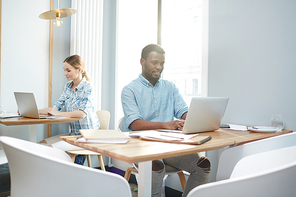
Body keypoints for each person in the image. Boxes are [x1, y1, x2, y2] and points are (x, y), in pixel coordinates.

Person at [121, 44, 211, 197]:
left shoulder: (170, 87)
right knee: (155, 166)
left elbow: (183, 112)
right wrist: (166, 125)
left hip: (169, 146)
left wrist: (195, 119)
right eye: (154, 62)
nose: (159, 67)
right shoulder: (129, 90)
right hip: (142, 147)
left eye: (162, 63)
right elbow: (134, 124)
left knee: (203, 165)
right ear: (142, 61)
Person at [39, 54, 100, 165]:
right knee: (39, 145)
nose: (65, 73)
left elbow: (82, 114)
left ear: (79, 70)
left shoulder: (88, 87)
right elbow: (55, 108)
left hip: (87, 136)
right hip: (73, 134)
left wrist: (58, 114)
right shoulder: (67, 87)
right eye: (64, 70)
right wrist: (34, 111)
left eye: (68, 70)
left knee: (48, 150)